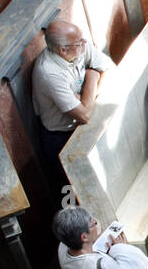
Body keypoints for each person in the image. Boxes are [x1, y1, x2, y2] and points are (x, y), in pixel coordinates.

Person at [31, 20, 113, 187]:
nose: (85, 43)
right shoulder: (49, 73)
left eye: (82, 39)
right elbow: (84, 116)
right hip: (60, 137)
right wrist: (92, 76)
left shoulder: (79, 46)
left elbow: (108, 68)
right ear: (63, 50)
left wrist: (84, 96)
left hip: (80, 124)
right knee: (74, 186)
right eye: (79, 42)